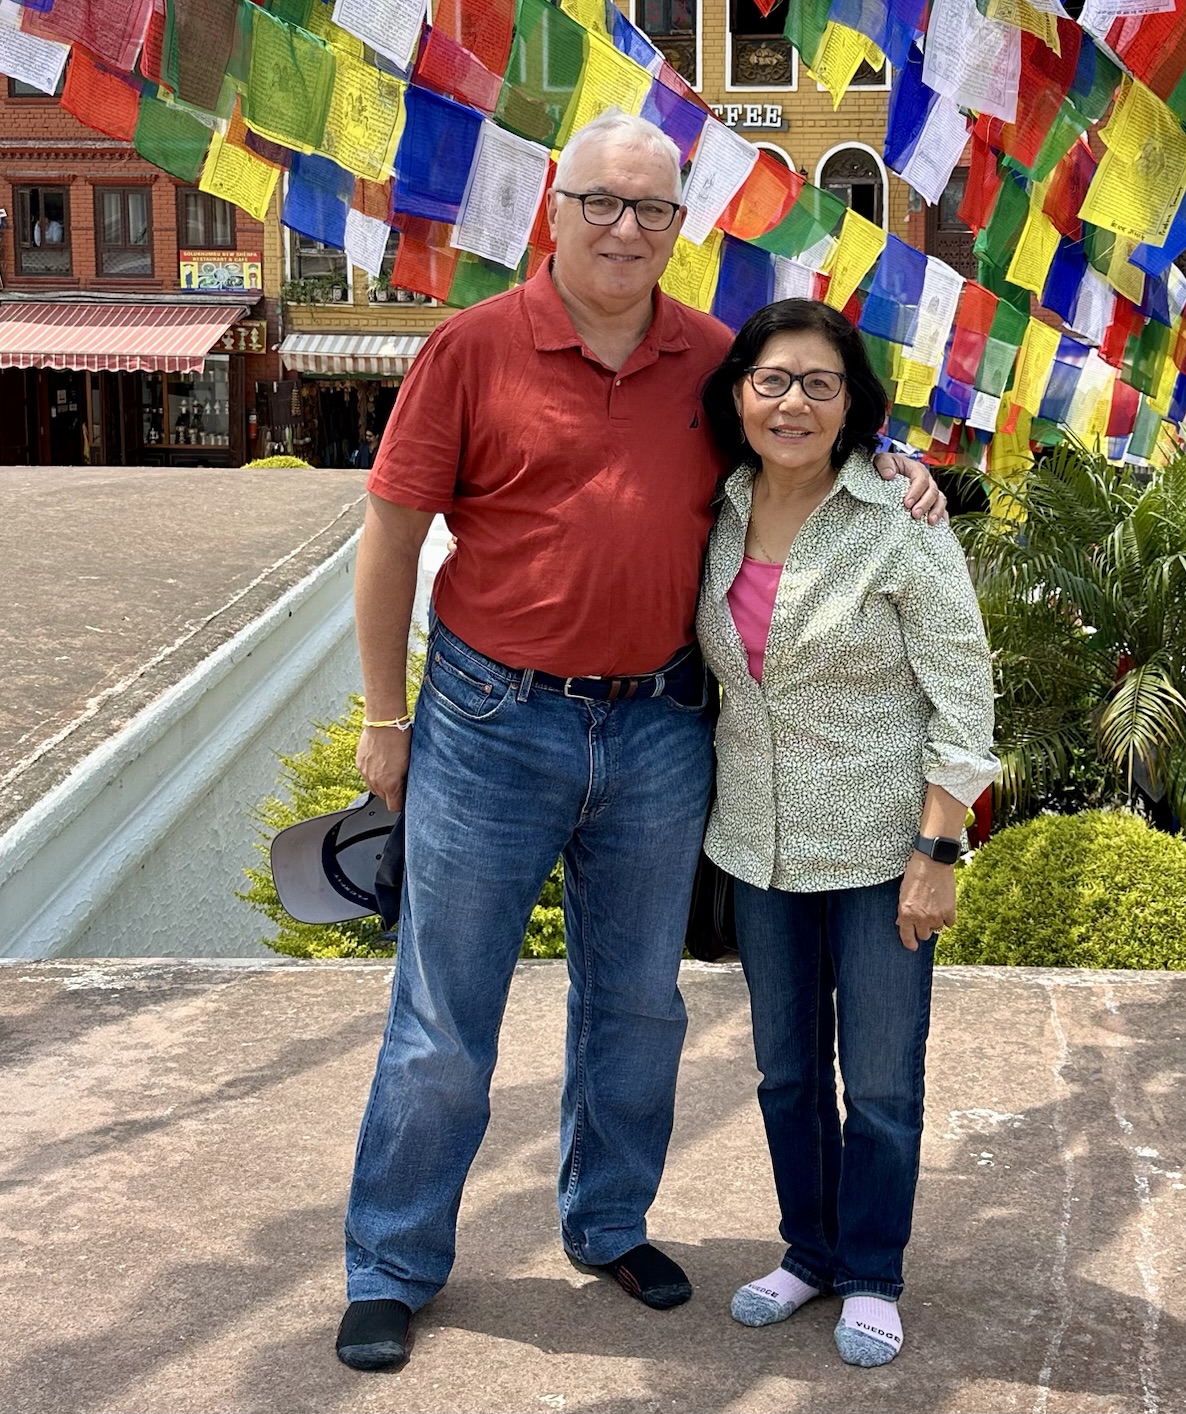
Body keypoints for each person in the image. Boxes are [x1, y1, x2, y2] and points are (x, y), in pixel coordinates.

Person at [337, 110, 944, 1375]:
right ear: (554, 208)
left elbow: (806, 422)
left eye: (653, 209)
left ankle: (607, 1220)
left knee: (635, 1005)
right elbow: (389, 538)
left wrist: (898, 465)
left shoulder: (711, 358)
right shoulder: (471, 348)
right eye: (603, 203)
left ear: (680, 224)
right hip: (490, 723)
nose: (625, 228)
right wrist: (383, 719)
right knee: (444, 1015)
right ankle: (391, 1262)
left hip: (661, 726)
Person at [694, 300, 998, 1368]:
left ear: (852, 404)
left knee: (878, 1084)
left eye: (818, 384)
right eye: (773, 380)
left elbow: (964, 699)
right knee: (784, 1074)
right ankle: (808, 1252)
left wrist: (937, 851)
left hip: (881, 854)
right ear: (740, 394)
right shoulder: (718, 509)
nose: (793, 403)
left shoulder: (900, 519)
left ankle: (871, 1270)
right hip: (759, 847)